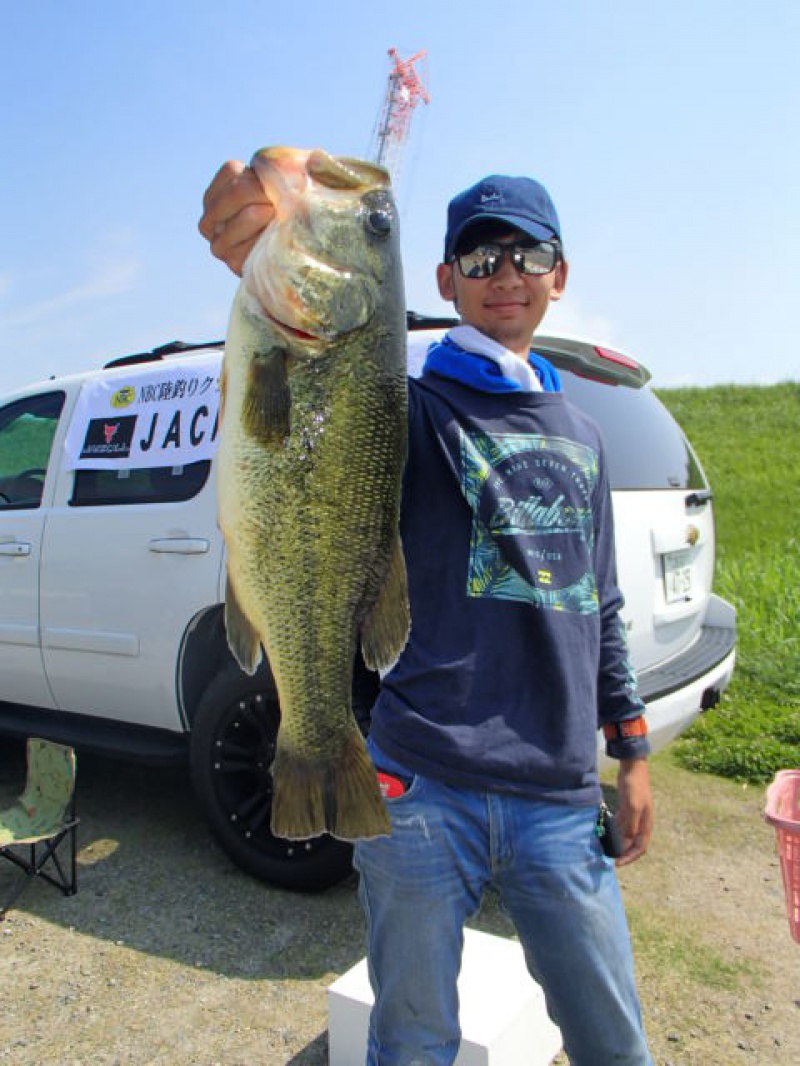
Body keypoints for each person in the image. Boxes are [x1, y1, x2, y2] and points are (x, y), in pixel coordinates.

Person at [200, 161, 654, 1066]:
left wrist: (632, 749)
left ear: (559, 275)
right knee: (410, 1044)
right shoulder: (409, 407)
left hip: (561, 798)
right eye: (480, 256)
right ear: (444, 282)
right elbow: (314, 412)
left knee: (615, 1046)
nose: (506, 272)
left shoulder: (587, 435)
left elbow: (600, 604)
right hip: (419, 788)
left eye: (529, 253)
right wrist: (259, 252)